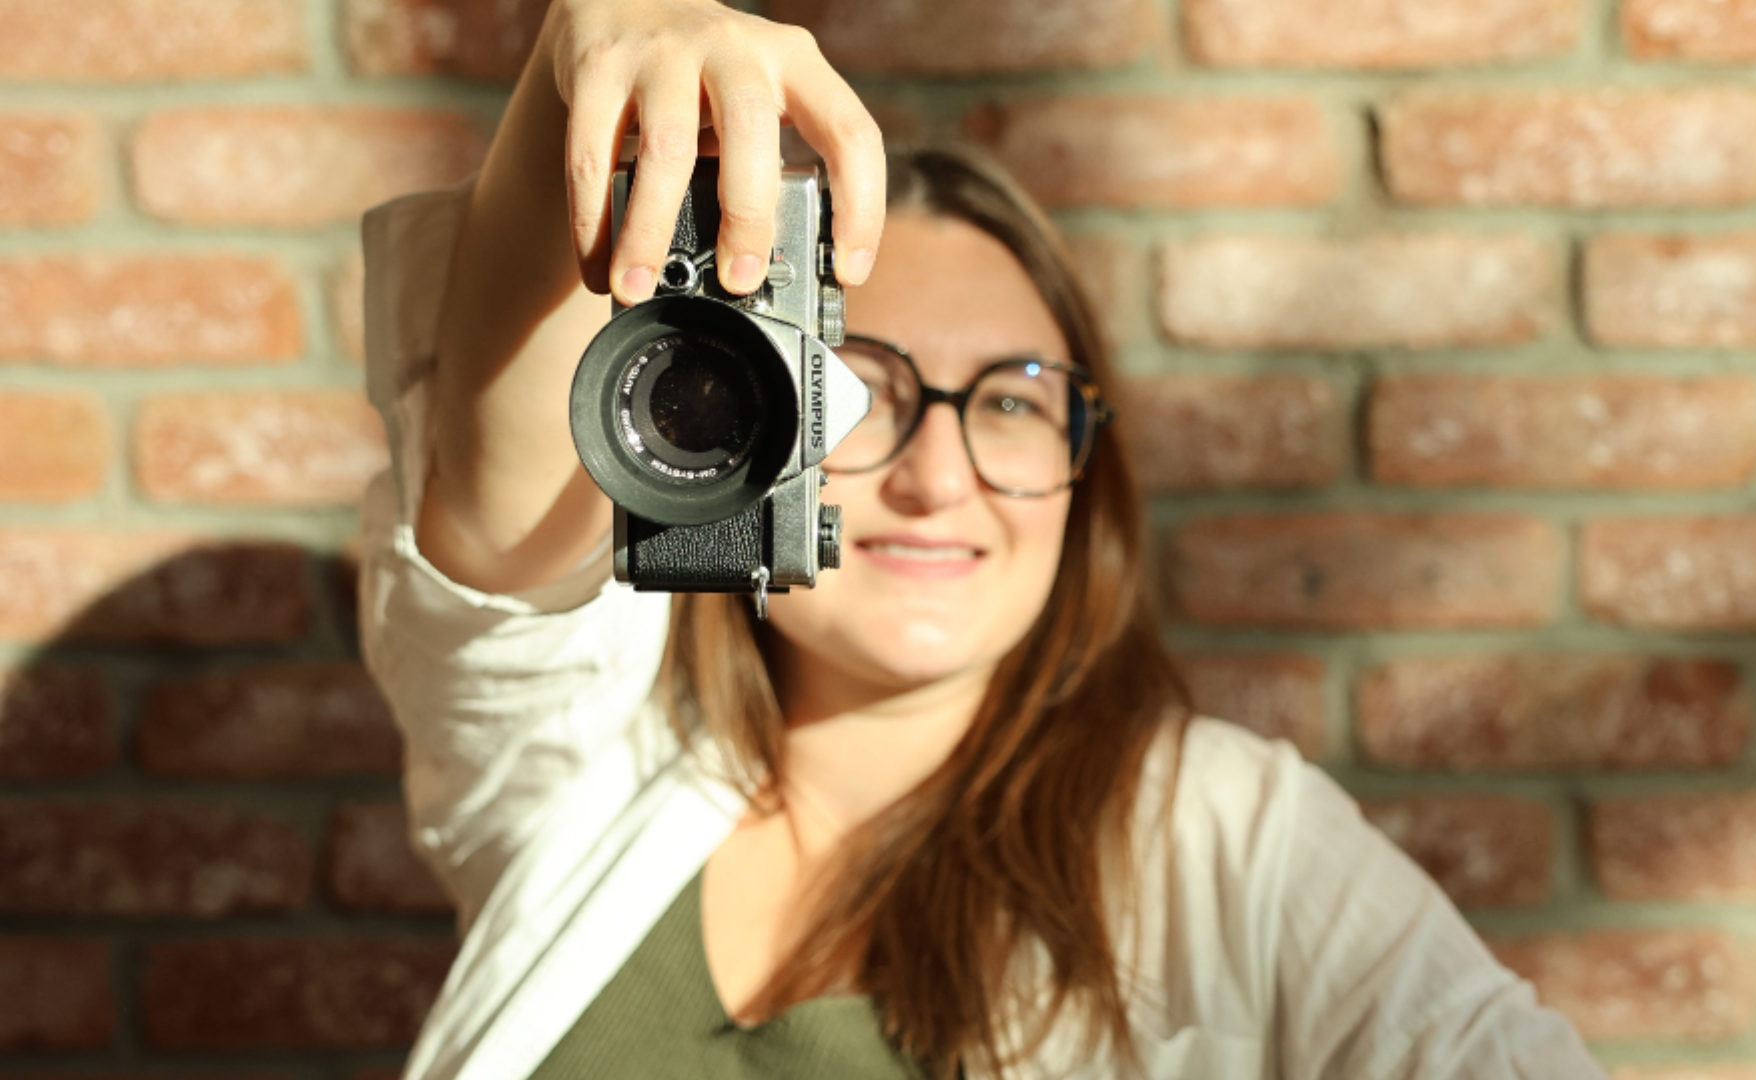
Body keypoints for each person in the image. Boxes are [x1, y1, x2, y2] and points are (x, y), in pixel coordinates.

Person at [356, 0, 1608, 1077]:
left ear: (1085, 472)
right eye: (866, 386)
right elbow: (492, 524)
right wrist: (592, 48)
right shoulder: (599, 768)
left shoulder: (1220, 837)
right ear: (725, 423)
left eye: (1011, 402)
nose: (939, 476)